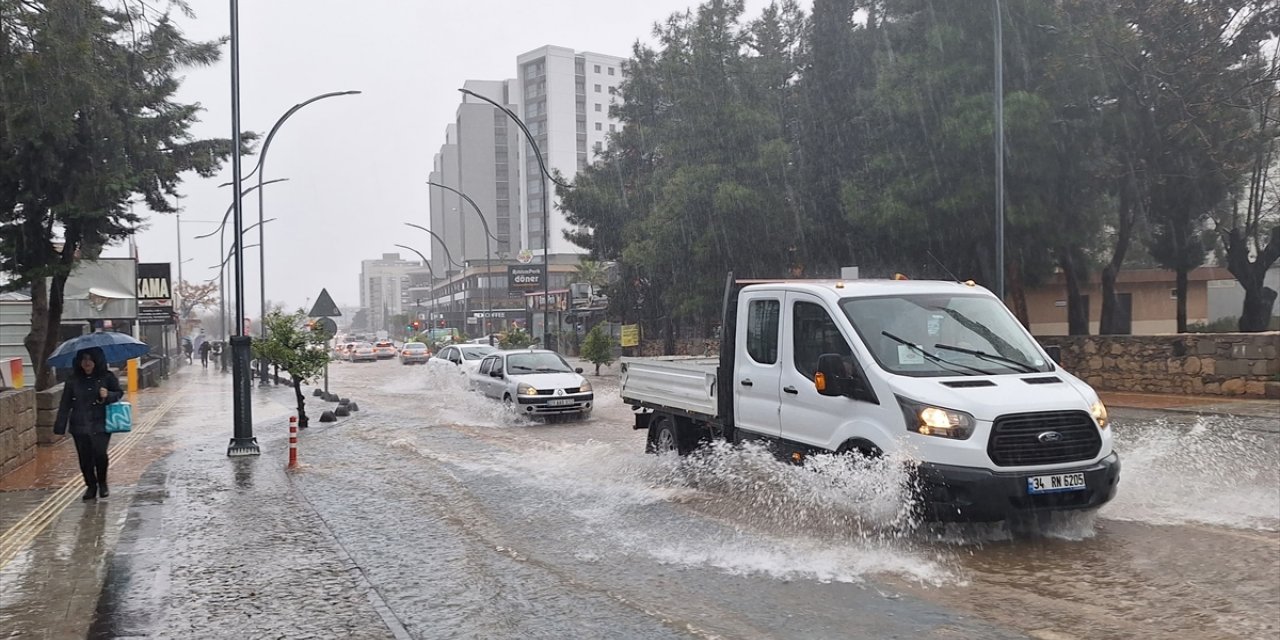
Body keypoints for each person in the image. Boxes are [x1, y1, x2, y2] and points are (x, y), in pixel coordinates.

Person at [53, 347, 124, 500]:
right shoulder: (73, 380)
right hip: (79, 424)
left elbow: (119, 393)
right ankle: (91, 485)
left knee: (100, 453)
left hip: (101, 422)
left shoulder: (107, 376)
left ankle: (103, 483)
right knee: (85, 458)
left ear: (96, 361)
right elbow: (65, 403)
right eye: (84, 359)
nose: (87, 362)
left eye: (90, 359)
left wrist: (108, 395)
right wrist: (60, 425)